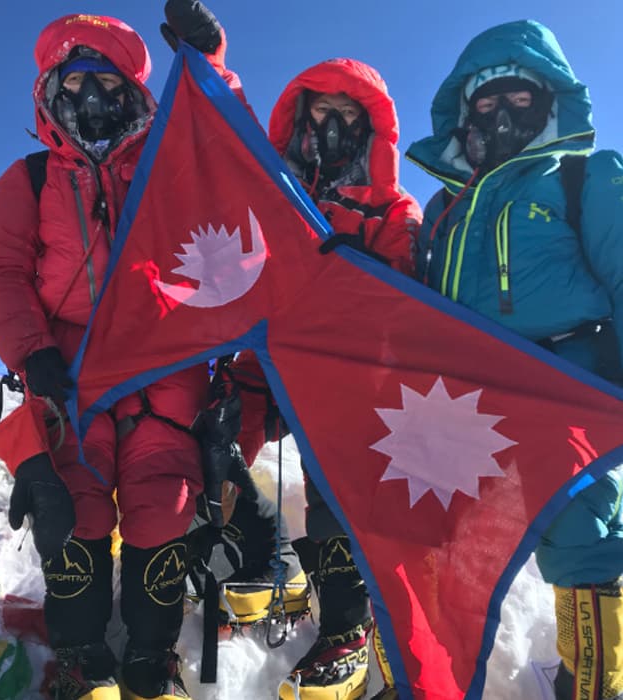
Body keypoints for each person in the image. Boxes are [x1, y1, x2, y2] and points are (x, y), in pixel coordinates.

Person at [0, 7, 245, 698]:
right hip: (69, 376)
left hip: (164, 370)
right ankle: (83, 655)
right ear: (51, 95)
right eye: (74, 82)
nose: (89, 98)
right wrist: (31, 351)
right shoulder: (28, 181)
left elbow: (232, 153)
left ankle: (151, 660)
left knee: (164, 510)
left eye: (106, 81)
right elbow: (1, 274)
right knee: (77, 516)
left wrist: (207, 63)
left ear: (133, 93)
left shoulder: (171, 169)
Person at [406, 20, 623, 700]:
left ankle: (593, 684)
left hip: (565, 377)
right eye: (487, 100)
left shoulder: (583, 177)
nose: (503, 112)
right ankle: (438, 672)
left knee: (581, 529)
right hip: (464, 393)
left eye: (521, 98)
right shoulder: (444, 207)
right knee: (430, 531)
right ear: (464, 111)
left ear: (551, 102)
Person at [214, 59, 420, 700]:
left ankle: (346, 630)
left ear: (369, 130)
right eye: (321, 113)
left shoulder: (392, 209)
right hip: (263, 357)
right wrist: (213, 61)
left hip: (342, 373)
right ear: (301, 122)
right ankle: (269, 564)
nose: (332, 127)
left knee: (333, 489)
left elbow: (413, 296)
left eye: (348, 115)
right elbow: (226, 132)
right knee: (210, 455)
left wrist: (369, 277)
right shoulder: (272, 188)